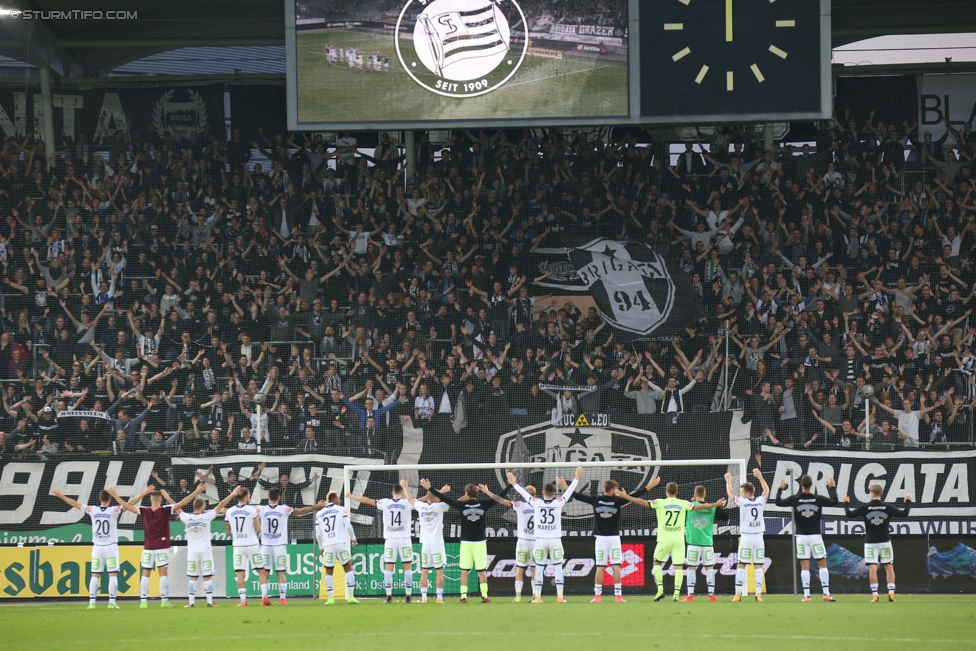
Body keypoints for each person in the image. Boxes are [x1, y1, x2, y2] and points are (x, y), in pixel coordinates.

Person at [616, 477, 723, 601]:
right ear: (677, 492)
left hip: (664, 540)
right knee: (679, 567)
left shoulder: (660, 502)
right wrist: (716, 504)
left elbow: (640, 502)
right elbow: (701, 507)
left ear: (666, 491)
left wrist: (626, 496)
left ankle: (660, 589)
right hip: (678, 540)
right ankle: (676, 595)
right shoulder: (684, 503)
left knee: (657, 563)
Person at [116, 483, 205, 608]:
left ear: (151, 499)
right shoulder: (165, 510)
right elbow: (183, 502)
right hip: (162, 547)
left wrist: (118, 495)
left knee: (145, 574)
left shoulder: (144, 510)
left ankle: (143, 602)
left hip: (148, 548)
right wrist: (196, 491)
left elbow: (126, 506)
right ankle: (164, 600)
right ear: (161, 499)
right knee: (163, 574)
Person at [507, 467, 581, 603]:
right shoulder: (558, 503)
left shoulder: (536, 503)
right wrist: (576, 477)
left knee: (539, 568)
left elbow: (524, 493)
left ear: (542, 492)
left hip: (540, 541)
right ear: (554, 493)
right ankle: (559, 597)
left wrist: (513, 483)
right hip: (555, 540)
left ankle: (538, 597)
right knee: (558, 566)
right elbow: (569, 492)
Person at [571, 478, 650, 603]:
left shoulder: (595, 500)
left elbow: (577, 495)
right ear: (613, 490)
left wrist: (565, 485)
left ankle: (597, 596)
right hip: (614, 539)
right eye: (616, 489)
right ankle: (618, 596)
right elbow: (637, 495)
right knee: (616, 567)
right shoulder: (618, 501)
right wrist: (650, 486)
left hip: (600, 539)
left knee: (600, 568)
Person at [425, 479, 502, 603]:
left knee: (464, 571)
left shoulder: (461, 505)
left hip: (466, 543)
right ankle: (484, 596)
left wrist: (430, 488)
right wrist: (490, 491)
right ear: (477, 493)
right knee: (482, 571)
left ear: (466, 493)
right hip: (480, 542)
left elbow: (444, 499)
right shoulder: (483, 504)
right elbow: (500, 498)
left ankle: (463, 596)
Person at [50, 486, 125, 609]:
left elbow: (75, 504)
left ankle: (92, 603)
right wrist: (142, 493)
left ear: (99, 498)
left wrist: (61, 496)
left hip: (97, 548)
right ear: (110, 499)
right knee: (112, 574)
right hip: (111, 547)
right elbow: (129, 505)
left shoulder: (92, 509)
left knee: (95, 575)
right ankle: (111, 602)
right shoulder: (114, 510)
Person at [346, 484, 415, 603]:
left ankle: (388, 596)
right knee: (407, 568)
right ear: (402, 493)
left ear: (392, 493)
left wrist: (352, 496)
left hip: (390, 540)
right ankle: (408, 596)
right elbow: (423, 500)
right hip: (404, 539)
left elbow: (367, 500)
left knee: (389, 568)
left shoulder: (385, 502)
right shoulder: (407, 502)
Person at [843, 484, 912, 602]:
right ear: (881, 493)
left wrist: (846, 503)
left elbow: (849, 514)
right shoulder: (887, 507)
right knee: (889, 568)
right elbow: (904, 514)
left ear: (871, 493)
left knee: (872, 569)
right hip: (885, 541)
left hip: (870, 543)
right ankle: (891, 594)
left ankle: (875, 595)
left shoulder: (865, 507)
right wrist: (908, 501)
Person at [775, 474, 838, 602]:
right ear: (811, 485)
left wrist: (780, 489)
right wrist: (832, 488)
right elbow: (834, 502)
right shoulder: (818, 499)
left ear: (801, 486)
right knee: (822, 565)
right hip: (815, 536)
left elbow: (778, 502)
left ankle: (807, 596)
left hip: (801, 537)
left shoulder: (795, 499)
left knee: (805, 567)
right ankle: (826, 593)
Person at [256, 488, 324, 606]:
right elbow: (301, 511)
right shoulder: (284, 509)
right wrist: (316, 506)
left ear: (268, 497)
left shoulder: (261, 509)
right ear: (279, 498)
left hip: (266, 545)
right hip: (279, 546)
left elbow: (248, 515)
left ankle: (264, 598)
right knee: (280, 572)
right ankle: (282, 598)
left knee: (264, 572)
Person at [177, 487, 241, 607]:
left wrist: (168, 498)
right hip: (205, 551)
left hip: (192, 552)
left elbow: (177, 509)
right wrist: (232, 494)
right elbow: (221, 504)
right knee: (207, 577)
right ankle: (210, 602)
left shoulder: (186, 518)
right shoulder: (206, 517)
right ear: (202, 507)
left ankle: (191, 603)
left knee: (193, 577)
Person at [400, 479, 450, 603]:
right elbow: (452, 502)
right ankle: (439, 598)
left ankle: (424, 598)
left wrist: (405, 488)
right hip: (437, 544)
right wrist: (443, 492)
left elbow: (410, 500)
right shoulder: (440, 506)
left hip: (425, 545)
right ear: (436, 498)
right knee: (439, 572)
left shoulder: (421, 506)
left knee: (424, 572)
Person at [725, 468, 770, 602]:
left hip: (746, 538)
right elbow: (766, 491)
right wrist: (760, 477)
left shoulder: (742, 501)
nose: (741, 494)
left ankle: (738, 594)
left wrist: (728, 481)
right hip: (758, 538)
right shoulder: (761, 501)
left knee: (741, 565)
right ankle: (758, 594)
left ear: (747, 493)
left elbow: (731, 495)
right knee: (758, 566)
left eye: (742, 492)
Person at [485, 482, 535, 602]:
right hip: (536, 542)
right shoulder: (539, 505)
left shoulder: (520, 505)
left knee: (520, 569)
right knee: (535, 570)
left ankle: (518, 597)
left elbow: (501, 501)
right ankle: (536, 596)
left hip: (523, 541)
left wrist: (487, 492)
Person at [683, 484, 729, 602]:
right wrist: (719, 507)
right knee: (709, 568)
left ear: (694, 495)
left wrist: (691, 500)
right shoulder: (712, 508)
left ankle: (690, 595)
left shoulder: (689, 506)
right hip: (708, 543)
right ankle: (711, 595)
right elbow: (725, 517)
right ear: (705, 495)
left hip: (693, 542)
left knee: (691, 568)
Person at [315, 491, 360, 605]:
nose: (340, 501)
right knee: (348, 568)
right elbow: (348, 526)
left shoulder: (319, 514)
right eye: (338, 498)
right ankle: (350, 596)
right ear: (333, 499)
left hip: (328, 545)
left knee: (329, 571)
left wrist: (321, 546)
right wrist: (353, 537)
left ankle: (330, 598)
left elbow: (318, 534)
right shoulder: (341, 510)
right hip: (340, 543)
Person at [225, 486, 264, 607]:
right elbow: (259, 529)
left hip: (238, 546)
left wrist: (236, 536)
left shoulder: (229, 511)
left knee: (240, 573)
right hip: (252, 544)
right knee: (261, 571)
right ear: (246, 496)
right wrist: (254, 536)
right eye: (249, 495)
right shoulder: (251, 510)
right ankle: (264, 598)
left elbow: (227, 530)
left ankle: (243, 601)